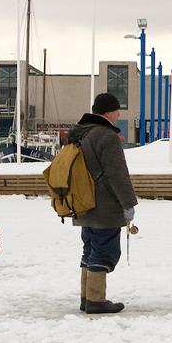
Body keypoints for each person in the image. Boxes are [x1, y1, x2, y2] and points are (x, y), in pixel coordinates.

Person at [69, 92, 138, 314]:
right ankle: (96, 300)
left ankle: (86, 297)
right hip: (104, 206)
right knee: (103, 251)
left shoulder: (79, 134)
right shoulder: (106, 136)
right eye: (118, 110)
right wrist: (128, 204)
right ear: (109, 111)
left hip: (82, 201)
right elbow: (117, 174)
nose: (119, 114)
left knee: (89, 249)